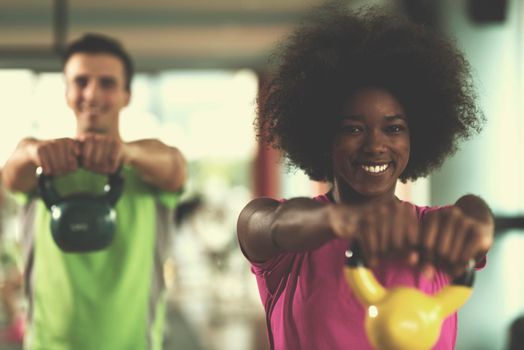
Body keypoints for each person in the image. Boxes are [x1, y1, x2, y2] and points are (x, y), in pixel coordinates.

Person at [237, 5, 494, 350]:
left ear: (416, 136)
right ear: (324, 137)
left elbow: (475, 219)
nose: (375, 145)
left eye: (394, 128)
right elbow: (267, 223)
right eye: (353, 128)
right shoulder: (287, 242)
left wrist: (476, 219)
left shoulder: (435, 233)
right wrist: (340, 219)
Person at [1, 33, 187, 350]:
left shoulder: (146, 168)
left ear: (127, 95)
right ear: (66, 92)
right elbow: (11, 175)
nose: (92, 93)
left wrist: (126, 154)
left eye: (107, 83)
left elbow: (174, 165)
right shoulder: (43, 171)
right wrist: (33, 151)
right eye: (81, 81)